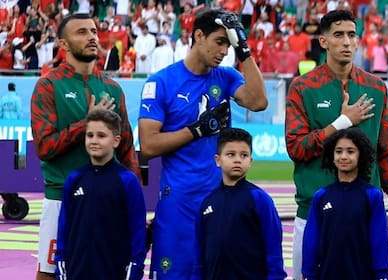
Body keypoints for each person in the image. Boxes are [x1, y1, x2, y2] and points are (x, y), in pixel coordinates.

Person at [138, 9, 267, 279]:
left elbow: (258, 101)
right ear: (199, 36)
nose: (224, 51)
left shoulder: (227, 76)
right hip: (179, 202)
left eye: (228, 44)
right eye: (219, 42)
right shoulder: (161, 82)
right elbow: (148, 146)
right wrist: (196, 131)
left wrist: (244, 51)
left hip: (222, 199)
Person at [285, 9, 388, 280]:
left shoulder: (376, 87)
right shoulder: (302, 88)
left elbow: (387, 152)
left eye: (352, 35)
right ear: (323, 41)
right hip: (314, 215)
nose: (347, 41)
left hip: (365, 215)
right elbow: (297, 148)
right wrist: (342, 121)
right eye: (339, 35)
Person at [31, 13, 140, 280]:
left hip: (109, 197)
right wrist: (85, 124)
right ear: (63, 44)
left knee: (109, 268)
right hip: (60, 199)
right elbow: (45, 147)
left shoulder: (113, 88)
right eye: (81, 32)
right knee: (50, 273)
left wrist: (136, 201)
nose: (92, 37)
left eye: (93, 31)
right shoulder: (48, 86)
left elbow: (126, 149)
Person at [55, 109, 147, 280]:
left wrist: (135, 269)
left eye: (101, 136)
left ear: (116, 141)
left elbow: (137, 230)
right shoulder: (74, 179)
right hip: (77, 272)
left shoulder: (127, 181)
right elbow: (64, 228)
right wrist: (61, 263)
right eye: (89, 135)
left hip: (114, 272)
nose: (94, 141)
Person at [196, 127, 287, 280]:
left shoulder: (259, 199)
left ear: (250, 161)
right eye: (231, 154)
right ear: (218, 160)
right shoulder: (207, 202)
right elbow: (199, 250)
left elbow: (273, 246)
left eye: (243, 155)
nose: (237, 159)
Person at [302, 127, 388, 279]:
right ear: (332, 155)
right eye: (338, 151)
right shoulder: (321, 196)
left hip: (362, 274)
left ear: (360, 155)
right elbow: (311, 237)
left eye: (350, 151)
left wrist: (382, 273)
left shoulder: (372, 196)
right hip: (327, 274)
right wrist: (309, 271)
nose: (343, 156)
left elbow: (379, 239)